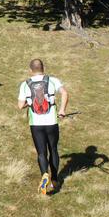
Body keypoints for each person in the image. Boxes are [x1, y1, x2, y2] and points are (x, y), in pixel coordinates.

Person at [17, 58, 69, 194]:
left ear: (30, 70)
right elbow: (64, 92)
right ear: (43, 68)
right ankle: (55, 179)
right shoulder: (52, 80)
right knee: (53, 149)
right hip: (51, 121)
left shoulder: (24, 84)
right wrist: (62, 110)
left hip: (36, 124)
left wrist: (31, 102)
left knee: (41, 152)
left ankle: (44, 174)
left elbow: (20, 105)